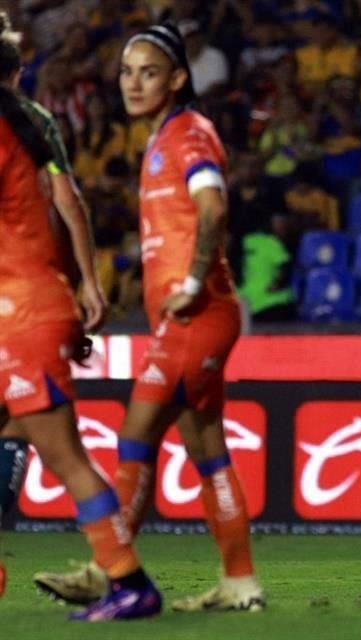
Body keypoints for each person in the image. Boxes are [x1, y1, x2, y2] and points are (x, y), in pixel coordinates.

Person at [33, 22, 265, 613]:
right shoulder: (165, 136)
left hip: (198, 312)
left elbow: (213, 207)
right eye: (127, 72)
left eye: (149, 72)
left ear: (178, 78)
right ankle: (240, 581)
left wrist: (190, 281)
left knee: (135, 437)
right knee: (208, 450)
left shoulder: (188, 134)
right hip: (188, 315)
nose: (133, 83)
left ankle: (109, 574)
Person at [0, 14, 161, 619]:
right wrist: (81, 291)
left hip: (22, 313)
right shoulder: (28, 124)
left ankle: (128, 582)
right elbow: (64, 205)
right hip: (32, 304)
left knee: (66, 458)